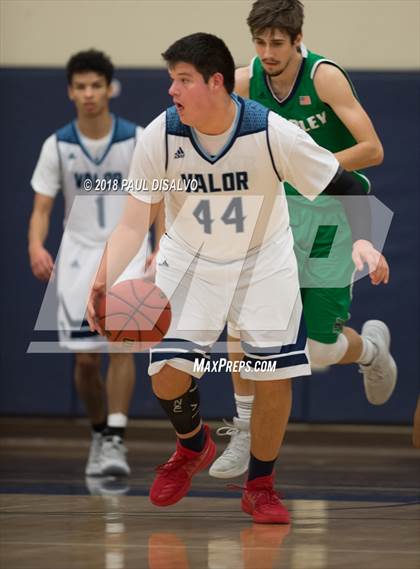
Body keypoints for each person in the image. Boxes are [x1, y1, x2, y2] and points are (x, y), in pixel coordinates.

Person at [87, 32, 387, 524]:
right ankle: (192, 447)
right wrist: (101, 281)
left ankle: (261, 485)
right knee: (166, 374)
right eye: (171, 80)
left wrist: (362, 240)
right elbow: (131, 222)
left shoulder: (270, 132)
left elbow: (347, 182)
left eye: (183, 80)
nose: (172, 91)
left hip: (262, 263)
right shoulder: (159, 136)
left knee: (274, 378)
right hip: (190, 261)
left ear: (216, 82)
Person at [209, 0, 398, 479]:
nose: (268, 52)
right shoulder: (245, 81)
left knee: (316, 352)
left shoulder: (324, 77)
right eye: (260, 42)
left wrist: (306, 167)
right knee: (240, 322)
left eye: (278, 43)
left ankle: (370, 349)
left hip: (333, 211)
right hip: (272, 218)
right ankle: (245, 430)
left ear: (297, 40)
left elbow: (373, 149)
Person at [28, 49, 155, 479]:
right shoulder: (58, 145)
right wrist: (35, 246)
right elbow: (42, 207)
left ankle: (116, 437)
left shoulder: (136, 139)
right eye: (80, 86)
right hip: (78, 257)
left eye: (95, 85)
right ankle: (99, 432)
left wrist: (160, 244)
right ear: (70, 91)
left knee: (122, 346)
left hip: (128, 253)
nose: (88, 93)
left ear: (109, 89)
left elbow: (158, 197)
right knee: (85, 361)